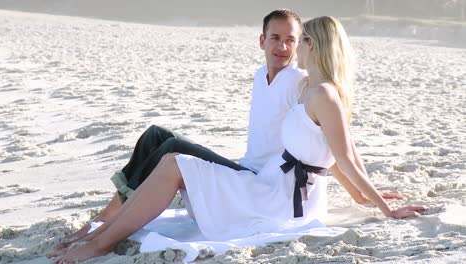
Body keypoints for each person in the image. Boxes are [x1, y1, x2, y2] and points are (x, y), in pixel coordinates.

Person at [51, 16, 427, 264]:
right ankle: (103, 226)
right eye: (276, 39)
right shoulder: (290, 84)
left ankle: (100, 238)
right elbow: (334, 149)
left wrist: (378, 203)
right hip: (258, 176)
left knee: (170, 155)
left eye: (296, 40)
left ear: (309, 45)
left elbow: (339, 153)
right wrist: (367, 196)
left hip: (271, 189)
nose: (287, 47)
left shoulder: (308, 86)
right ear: (262, 41)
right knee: (159, 141)